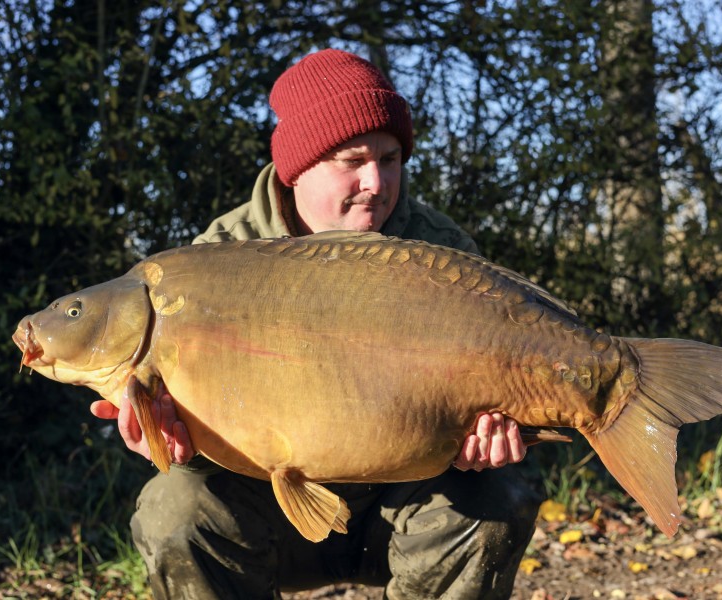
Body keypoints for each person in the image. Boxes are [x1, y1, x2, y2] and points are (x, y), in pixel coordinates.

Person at [91, 49, 540, 599]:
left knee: (498, 501)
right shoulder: (212, 263)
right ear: (296, 167)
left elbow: (506, 385)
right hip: (268, 519)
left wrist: (490, 438)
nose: (376, 182)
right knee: (173, 512)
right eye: (352, 161)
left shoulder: (437, 252)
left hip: (401, 507)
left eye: (392, 158)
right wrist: (164, 438)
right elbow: (182, 446)